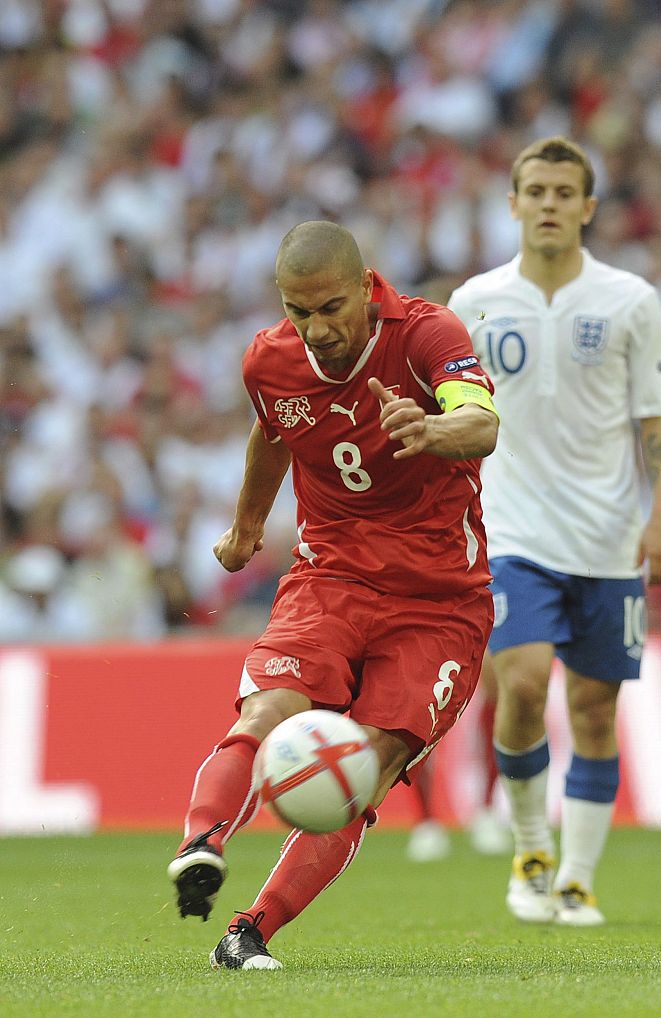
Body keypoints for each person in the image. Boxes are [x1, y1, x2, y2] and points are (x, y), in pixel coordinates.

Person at [166, 221, 499, 969]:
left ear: (365, 288)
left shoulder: (424, 334)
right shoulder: (269, 360)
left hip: (440, 603)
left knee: (368, 766)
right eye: (299, 311)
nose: (317, 328)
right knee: (269, 709)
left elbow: (481, 424)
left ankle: (249, 932)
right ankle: (201, 843)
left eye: (330, 308)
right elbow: (272, 432)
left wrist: (435, 429)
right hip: (331, 578)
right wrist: (247, 525)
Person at [447, 137, 661, 926]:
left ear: (587, 207)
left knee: (592, 711)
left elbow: (657, 419)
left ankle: (577, 878)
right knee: (519, 685)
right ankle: (529, 847)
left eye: (563, 192)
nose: (548, 203)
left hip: (610, 537)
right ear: (512, 203)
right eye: (535, 190)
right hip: (511, 531)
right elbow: (451, 420)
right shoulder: (473, 302)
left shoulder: (629, 301)